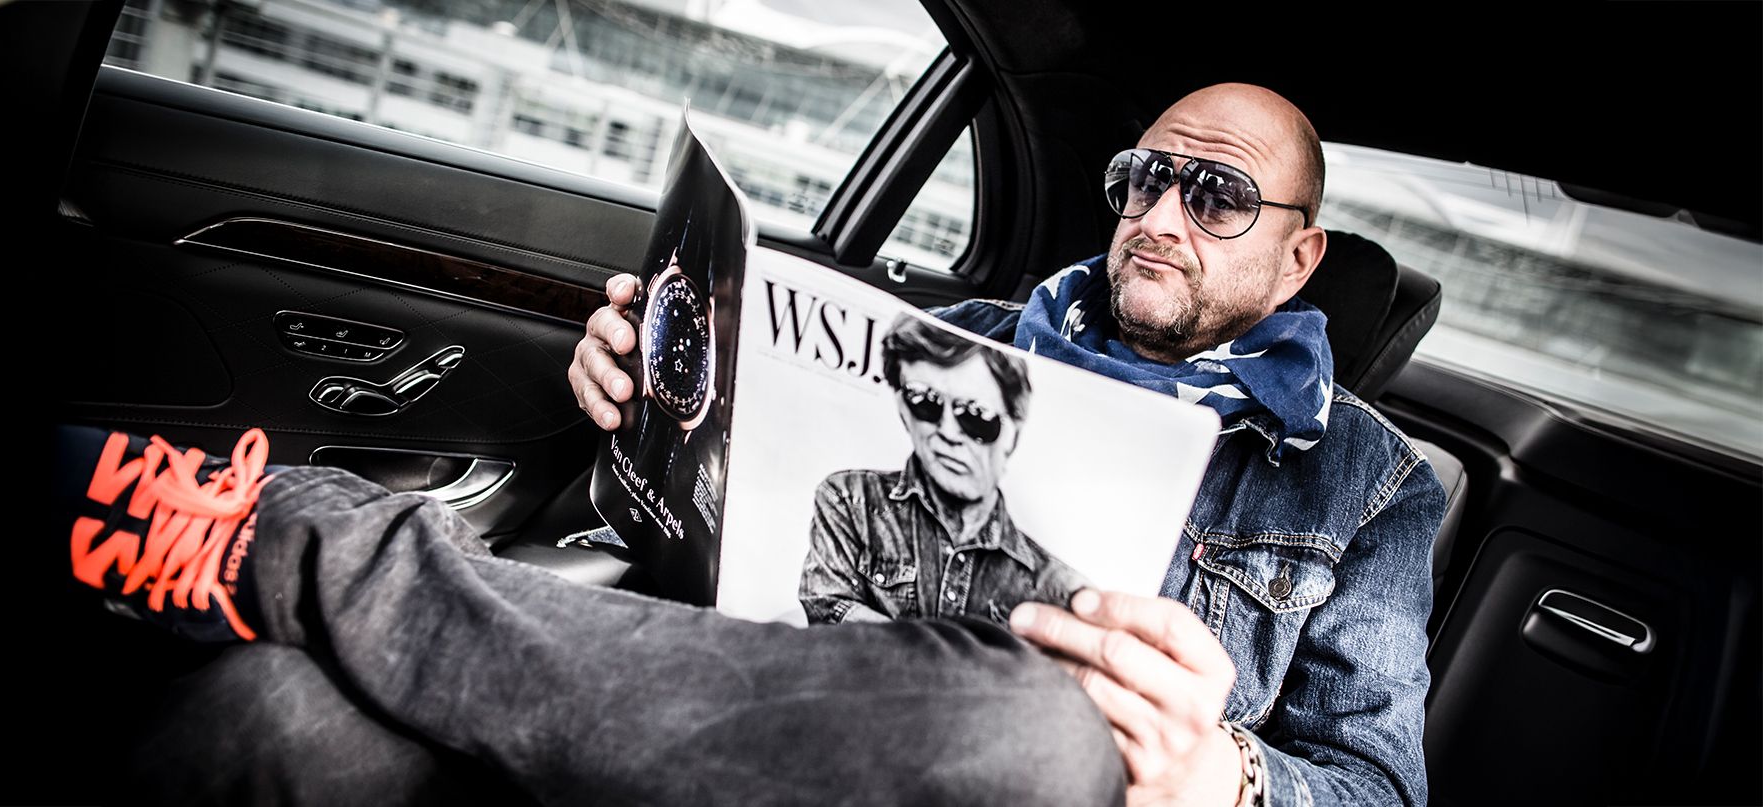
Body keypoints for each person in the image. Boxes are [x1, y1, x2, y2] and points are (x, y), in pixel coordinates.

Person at [70, 82, 1442, 806]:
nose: (1158, 211)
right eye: (1140, 177)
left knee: (1049, 725)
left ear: (1300, 253)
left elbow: (1376, 786)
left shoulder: (1363, 479)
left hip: (993, 769)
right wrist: (641, 400)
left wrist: (1223, 777)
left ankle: (304, 538)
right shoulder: (950, 331)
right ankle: (317, 549)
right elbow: (702, 542)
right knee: (275, 720)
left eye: (1214, 196)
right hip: (749, 710)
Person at [799, 313, 1089, 625]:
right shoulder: (848, 500)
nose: (948, 432)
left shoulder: (1059, 588)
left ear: (1013, 432)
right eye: (923, 401)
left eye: (976, 415)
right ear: (902, 409)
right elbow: (825, 607)